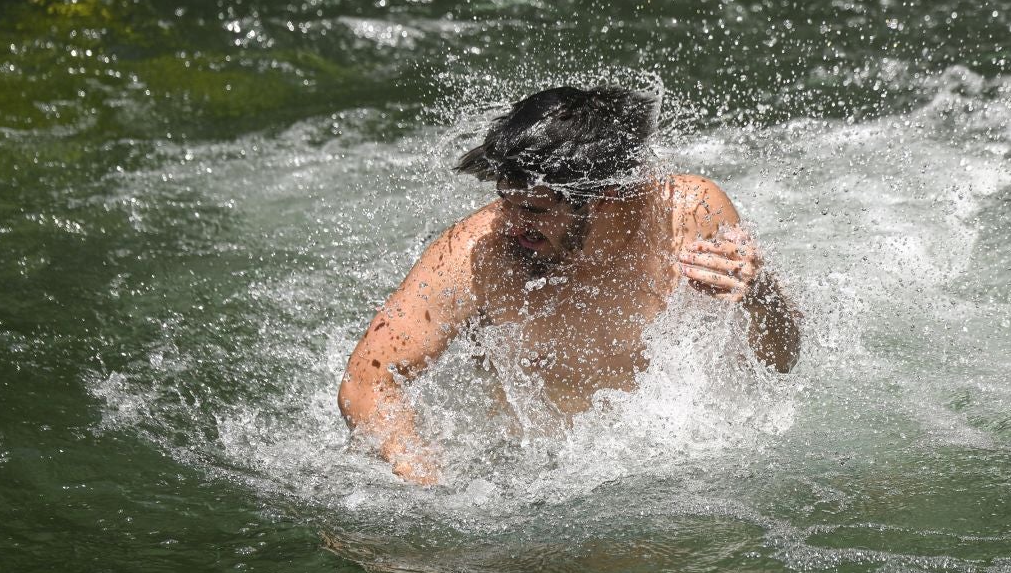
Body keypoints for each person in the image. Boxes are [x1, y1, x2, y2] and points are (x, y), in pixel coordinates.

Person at [338, 86, 802, 484]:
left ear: (607, 198)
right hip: (530, 474)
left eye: (536, 211)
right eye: (507, 202)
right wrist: (429, 489)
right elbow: (367, 381)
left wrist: (759, 296)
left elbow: (781, 365)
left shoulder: (690, 214)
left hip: (679, 467)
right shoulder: (475, 250)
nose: (513, 225)